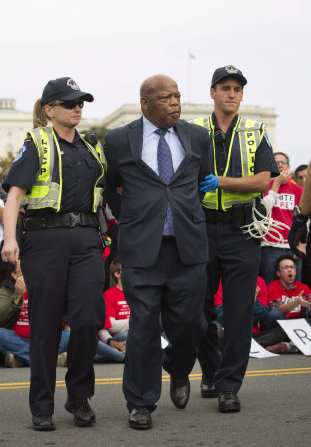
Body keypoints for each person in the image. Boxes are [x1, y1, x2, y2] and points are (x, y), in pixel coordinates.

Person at [104, 74, 209, 429]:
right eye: (166, 98)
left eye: (178, 96)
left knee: (191, 324)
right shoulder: (119, 139)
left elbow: (200, 184)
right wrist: (134, 219)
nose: (175, 103)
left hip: (187, 247)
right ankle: (140, 401)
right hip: (141, 249)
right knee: (143, 326)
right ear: (145, 103)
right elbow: (113, 188)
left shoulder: (197, 136)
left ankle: (178, 368)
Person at [1, 77, 106, 431]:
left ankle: (78, 395)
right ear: (50, 110)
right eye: (70, 103)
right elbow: (14, 195)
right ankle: (42, 405)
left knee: (90, 318)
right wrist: (10, 239)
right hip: (45, 241)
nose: (78, 108)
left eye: (81, 103)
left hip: (88, 240)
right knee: (45, 327)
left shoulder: (91, 146)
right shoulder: (37, 143)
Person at [196, 65, 278, 413]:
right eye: (225, 87)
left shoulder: (255, 131)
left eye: (237, 89)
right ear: (212, 92)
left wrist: (223, 182)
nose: (232, 93)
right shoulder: (193, 132)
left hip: (242, 232)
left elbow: (263, 182)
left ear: (242, 95)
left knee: (239, 312)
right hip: (199, 230)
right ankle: (211, 370)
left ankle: (229, 386)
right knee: (195, 313)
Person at [260, 152, 303, 284]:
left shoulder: (297, 190)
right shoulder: (262, 187)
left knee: (295, 288)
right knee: (270, 286)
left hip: (293, 247)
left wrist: (303, 245)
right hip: (269, 245)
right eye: (275, 163)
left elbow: (305, 219)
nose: (279, 165)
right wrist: (276, 184)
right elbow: (262, 211)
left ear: (288, 167)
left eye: (282, 163)